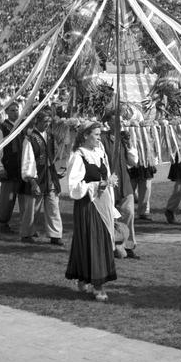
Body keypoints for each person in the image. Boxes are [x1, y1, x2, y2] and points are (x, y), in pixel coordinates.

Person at [65, 121, 118, 302]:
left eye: (99, 134)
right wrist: (96, 185)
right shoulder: (78, 156)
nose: (98, 137)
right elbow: (73, 187)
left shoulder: (99, 152)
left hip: (102, 202)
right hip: (87, 205)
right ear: (86, 135)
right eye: (95, 134)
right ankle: (97, 285)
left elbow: (106, 176)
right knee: (91, 241)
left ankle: (84, 277)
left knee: (101, 240)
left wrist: (108, 186)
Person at [19, 108, 64, 245]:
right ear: (37, 121)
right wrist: (33, 182)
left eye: (49, 121)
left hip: (50, 176)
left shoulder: (49, 136)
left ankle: (55, 235)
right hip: (37, 177)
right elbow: (28, 160)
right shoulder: (30, 138)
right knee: (33, 208)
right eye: (45, 121)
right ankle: (27, 234)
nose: (47, 124)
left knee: (53, 204)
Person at [101, 117, 141, 259]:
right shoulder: (102, 138)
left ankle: (128, 245)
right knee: (109, 215)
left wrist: (129, 145)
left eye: (120, 121)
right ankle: (111, 246)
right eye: (115, 121)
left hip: (125, 182)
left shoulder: (124, 138)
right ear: (109, 123)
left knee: (129, 212)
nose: (119, 124)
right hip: (109, 183)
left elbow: (134, 162)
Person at [0, 101, 25, 234]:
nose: (15, 112)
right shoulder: (2, 128)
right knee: (8, 198)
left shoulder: (23, 125)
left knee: (24, 197)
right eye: (12, 110)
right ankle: (3, 222)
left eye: (17, 110)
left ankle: (26, 225)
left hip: (22, 168)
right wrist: (0, 167)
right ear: (6, 112)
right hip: (9, 167)